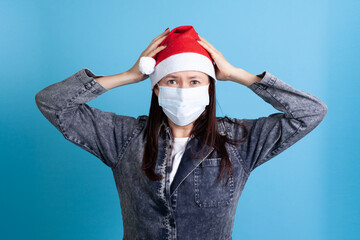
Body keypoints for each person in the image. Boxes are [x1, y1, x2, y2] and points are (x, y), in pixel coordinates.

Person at [35, 25, 328, 240]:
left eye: (194, 81)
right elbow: (52, 102)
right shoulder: (122, 137)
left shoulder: (239, 141)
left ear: (210, 89)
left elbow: (310, 112)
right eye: (172, 80)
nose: (184, 90)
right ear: (157, 88)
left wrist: (238, 74)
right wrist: (129, 75)